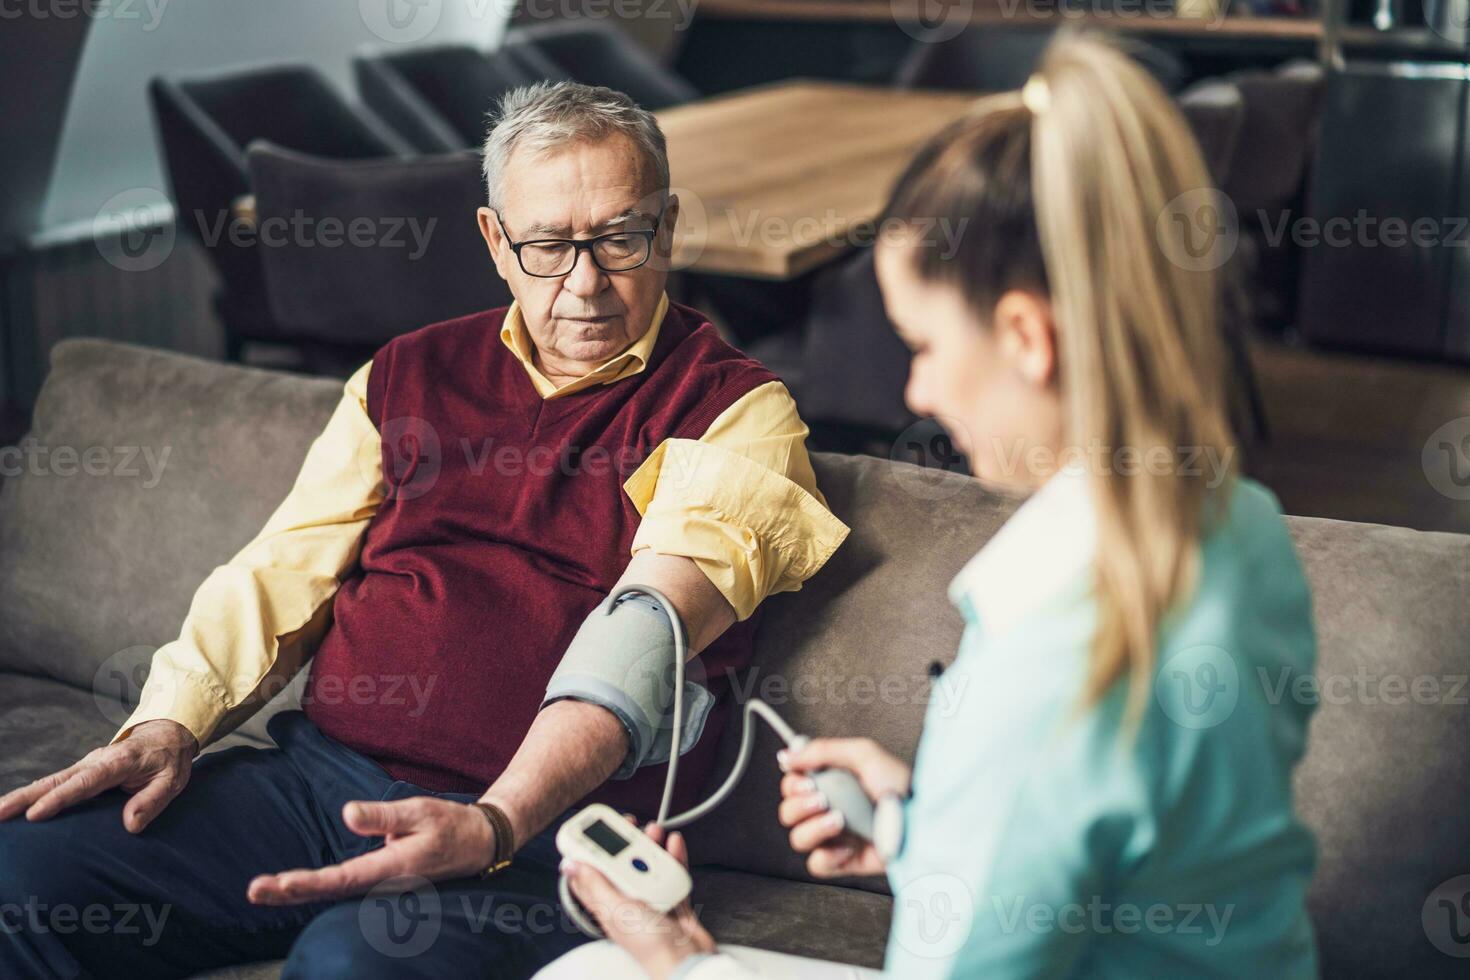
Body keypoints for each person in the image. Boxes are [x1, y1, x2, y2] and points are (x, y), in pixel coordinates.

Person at [0, 82, 849, 978]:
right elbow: (281, 572)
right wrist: (167, 723)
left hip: (542, 841)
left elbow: (647, 635)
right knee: (23, 875)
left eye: (620, 237)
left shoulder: (736, 411)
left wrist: (494, 821)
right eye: (550, 246)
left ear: (667, 228)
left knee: (351, 965)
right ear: (495, 242)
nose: (586, 281)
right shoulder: (404, 374)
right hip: (320, 786)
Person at [538, 34, 1320, 980]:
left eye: (926, 344)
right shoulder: (1246, 525)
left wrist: (684, 957)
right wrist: (928, 827)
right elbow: (1115, 851)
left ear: (1027, 337)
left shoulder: (1050, 650)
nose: (915, 393)